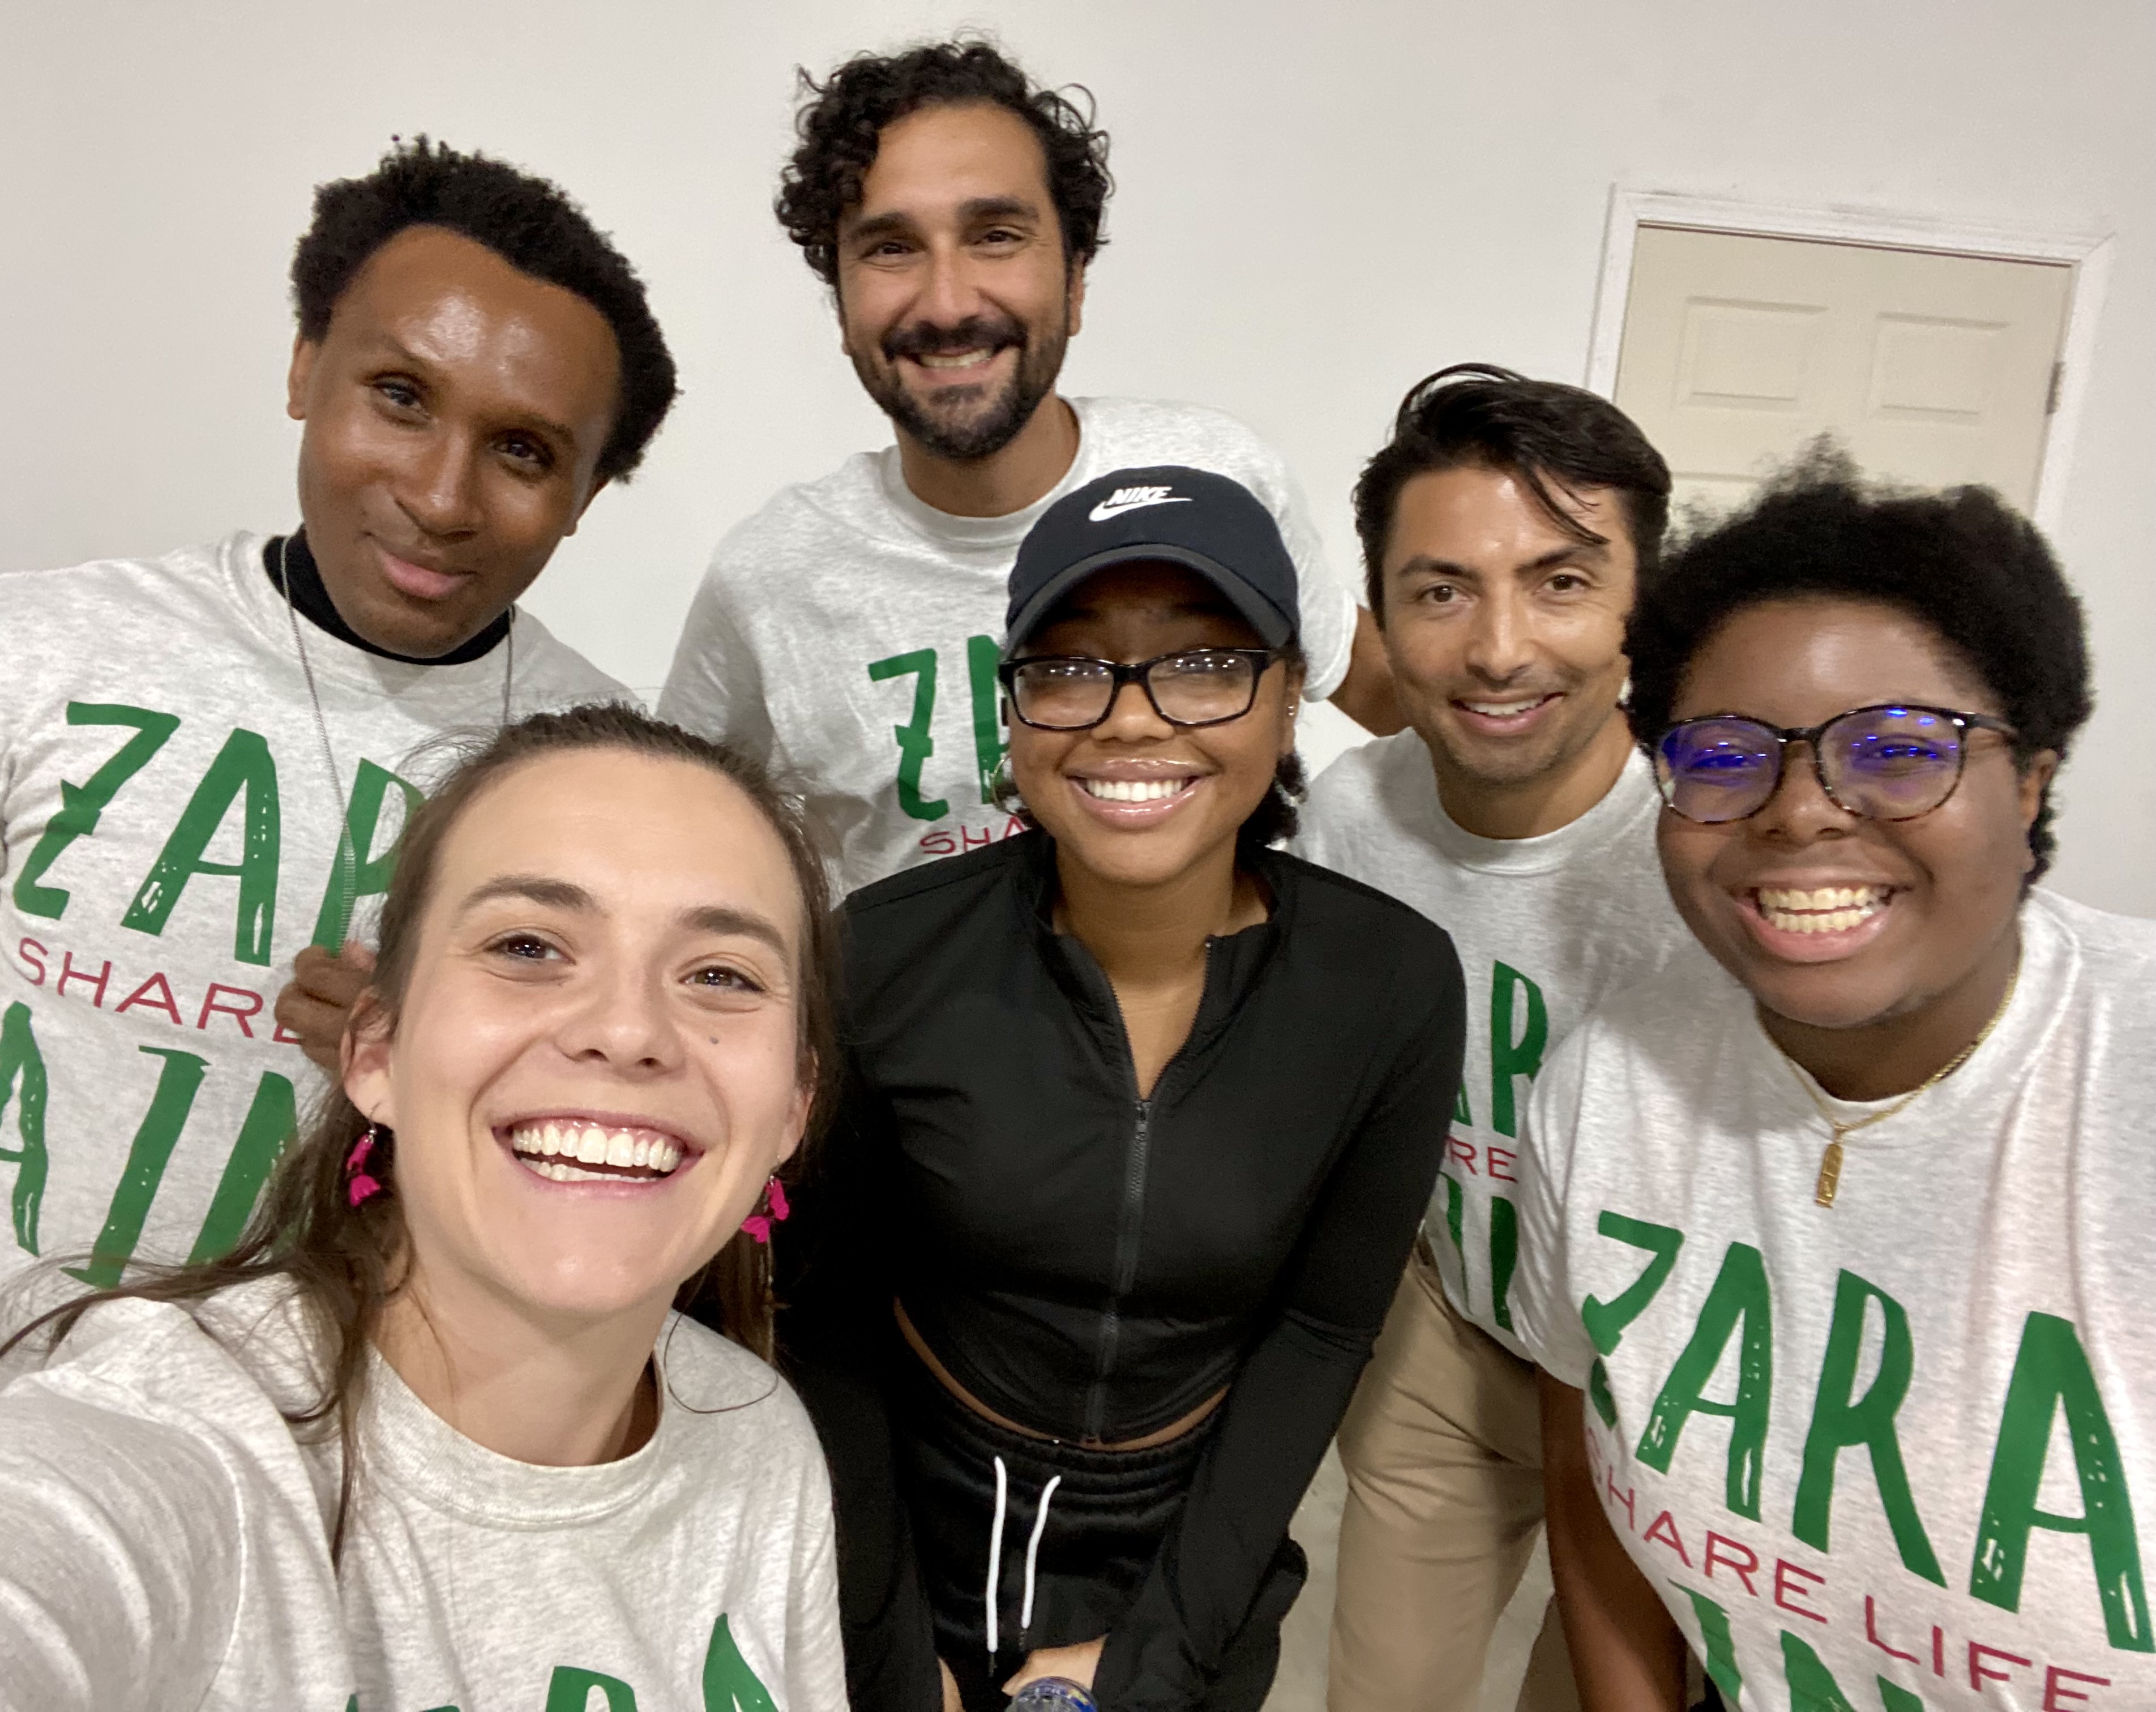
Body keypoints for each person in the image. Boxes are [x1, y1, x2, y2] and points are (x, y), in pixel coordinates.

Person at [0, 138, 672, 1433]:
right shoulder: (18, 652)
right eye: (400, 397)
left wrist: (442, 1074)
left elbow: (614, 1193)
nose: (439, 493)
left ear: (586, 495)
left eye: (524, 450)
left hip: (356, 1498)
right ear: (306, 368)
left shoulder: (617, 780)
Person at [0, 704, 848, 1712]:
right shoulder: (175, 1449)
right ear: (374, 1052)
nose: (627, 1027)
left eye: (722, 974)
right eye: (527, 946)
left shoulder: (757, 1439)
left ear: (792, 1109)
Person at [781, 466, 1464, 1711]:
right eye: (1071, 665)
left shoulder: (1392, 986)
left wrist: (1161, 1653)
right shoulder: (879, 954)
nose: (1132, 719)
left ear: (1290, 693)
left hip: (1190, 1541)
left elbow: (1322, 1333)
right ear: (1016, 706)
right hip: (907, 1518)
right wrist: (882, 1643)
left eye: (1205, 664)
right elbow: (820, 1315)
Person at [1512, 457, 2151, 1709]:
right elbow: (1589, 1479)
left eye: (1902, 749)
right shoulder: (1608, 1090)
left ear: (2031, 781)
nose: (1802, 812)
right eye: (1726, 753)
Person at [660, 38, 1401, 896]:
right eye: (891, 248)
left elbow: (1407, 714)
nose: (947, 302)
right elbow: (674, 834)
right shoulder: (769, 576)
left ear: (1076, 281)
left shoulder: (1214, 480)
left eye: (997, 236)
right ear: (841, 301)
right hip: (905, 1020)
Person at [1291, 365, 1700, 1711]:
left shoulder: (1714, 859)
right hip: (1451, 1340)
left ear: (1646, 606)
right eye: (1442, 588)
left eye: (1562, 581)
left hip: (1666, 1391)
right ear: (1383, 621)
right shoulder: (1353, 818)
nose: (1501, 647)